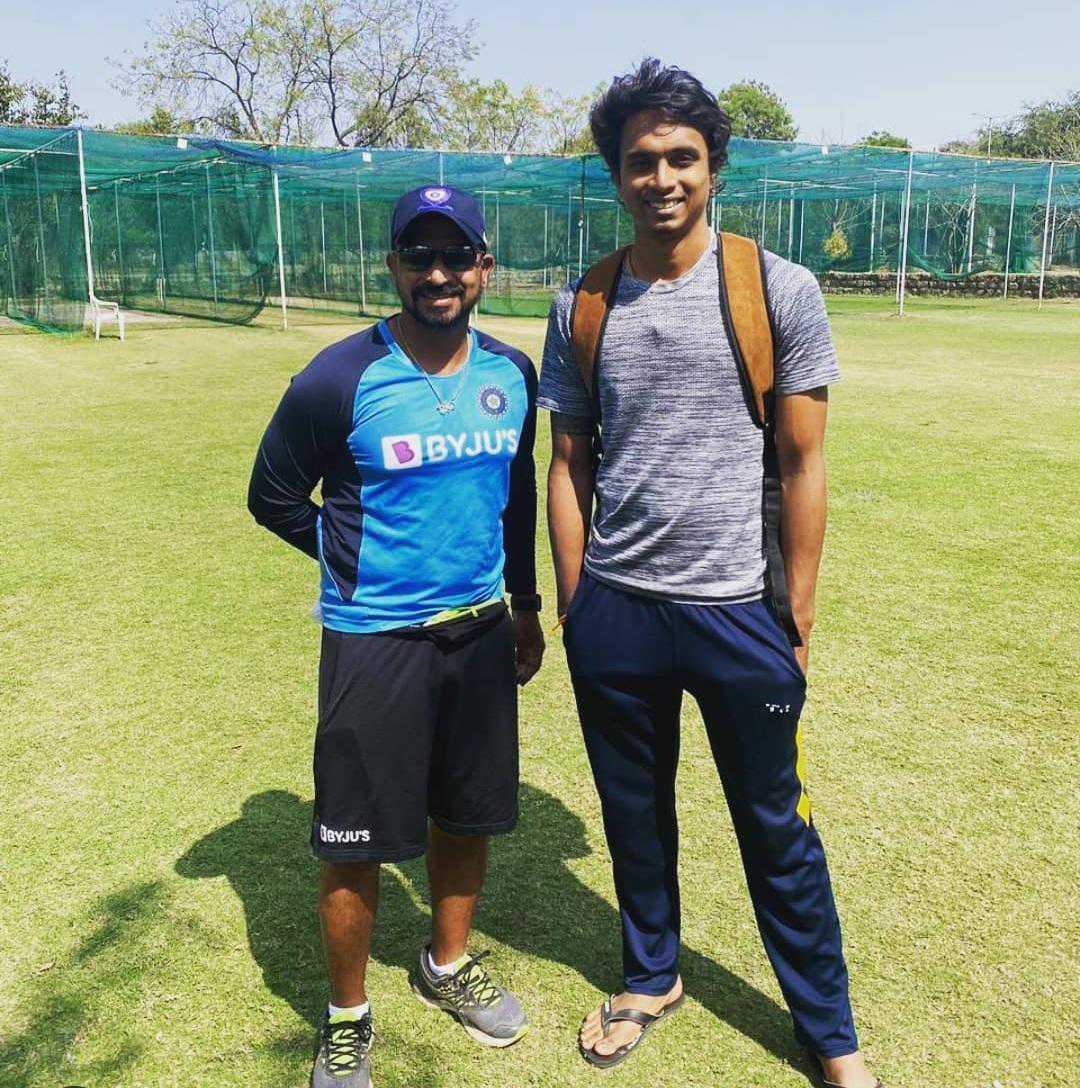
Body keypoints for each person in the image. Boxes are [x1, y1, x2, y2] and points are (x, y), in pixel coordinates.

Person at [539, 60, 882, 1087]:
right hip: (620, 615)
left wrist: (798, 613)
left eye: (681, 156)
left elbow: (804, 460)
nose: (662, 177)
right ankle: (652, 975)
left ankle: (828, 1029)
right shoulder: (582, 304)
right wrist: (576, 602)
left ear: (715, 166)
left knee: (780, 830)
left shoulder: (779, 289)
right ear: (615, 173)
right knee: (633, 813)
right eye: (640, 160)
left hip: (740, 612)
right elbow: (569, 463)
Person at [247, 184, 544, 1088]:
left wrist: (526, 604)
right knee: (353, 841)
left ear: (486, 268)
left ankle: (446, 964)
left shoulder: (511, 373)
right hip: (375, 639)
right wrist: (349, 556)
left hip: (483, 633)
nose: (439, 274)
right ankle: (346, 1018)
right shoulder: (337, 378)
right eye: (420, 257)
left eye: (457, 256)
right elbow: (272, 496)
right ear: (394, 268)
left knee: (468, 811)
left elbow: (517, 495)